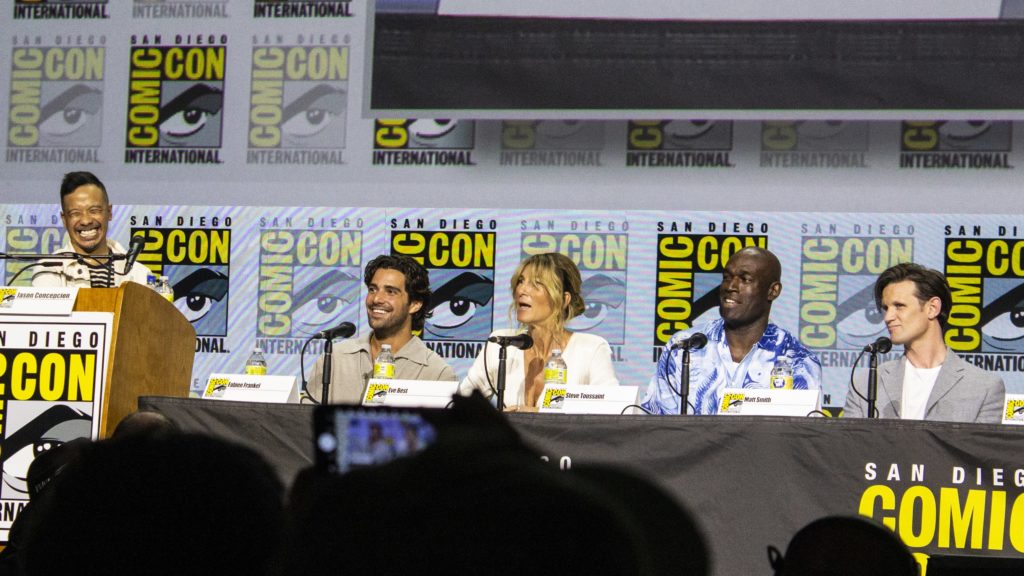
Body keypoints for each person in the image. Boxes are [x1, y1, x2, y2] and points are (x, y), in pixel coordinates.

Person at [643, 247, 822, 415]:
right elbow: (657, 426)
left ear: (772, 291)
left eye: (745, 279)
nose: (730, 287)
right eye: (727, 277)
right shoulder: (684, 347)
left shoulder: (798, 360)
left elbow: (803, 437)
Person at [843, 263, 1005, 422]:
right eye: (886, 308)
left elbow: (979, 449)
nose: (888, 317)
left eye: (899, 306)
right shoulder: (865, 384)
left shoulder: (984, 387)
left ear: (932, 308)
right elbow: (849, 445)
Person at [459, 252, 618, 411]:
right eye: (521, 281)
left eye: (536, 284)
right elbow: (461, 404)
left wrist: (538, 416)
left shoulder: (590, 349)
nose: (521, 290)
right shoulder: (501, 343)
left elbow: (610, 413)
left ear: (564, 299)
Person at [307, 254, 456, 403]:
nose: (376, 299)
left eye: (390, 291)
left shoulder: (437, 373)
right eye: (372, 289)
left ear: (414, 304)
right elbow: (304, 422)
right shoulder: (334, 358)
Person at [32, 171, 152, 288]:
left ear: (109, 212)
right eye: (75, 213)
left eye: (94, 211)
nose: (86, 221)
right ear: (64, 220)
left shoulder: (139, 275)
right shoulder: (49, 269)